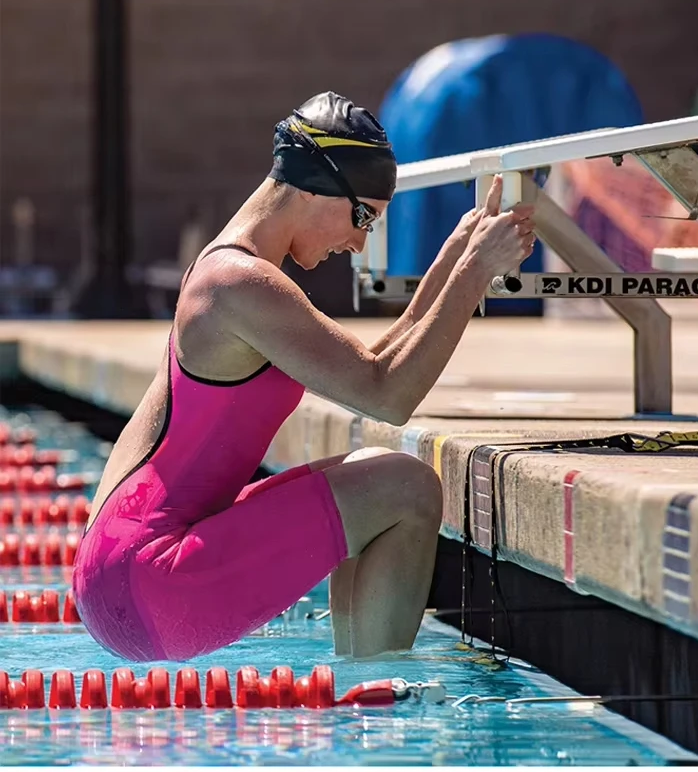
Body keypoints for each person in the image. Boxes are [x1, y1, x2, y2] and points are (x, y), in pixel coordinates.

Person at [72, 91, 537, 662]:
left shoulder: (228, 270)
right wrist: (475, 273)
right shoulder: (241, 285)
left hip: (118, 571)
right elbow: (387, 394)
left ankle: (358, 688)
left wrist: (455, 259)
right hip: (150, 577)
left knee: (375, 474)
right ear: (316, 186)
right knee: (407, 490)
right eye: (362, 215)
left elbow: (369, 369)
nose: (359, 241)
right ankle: (375, 722)